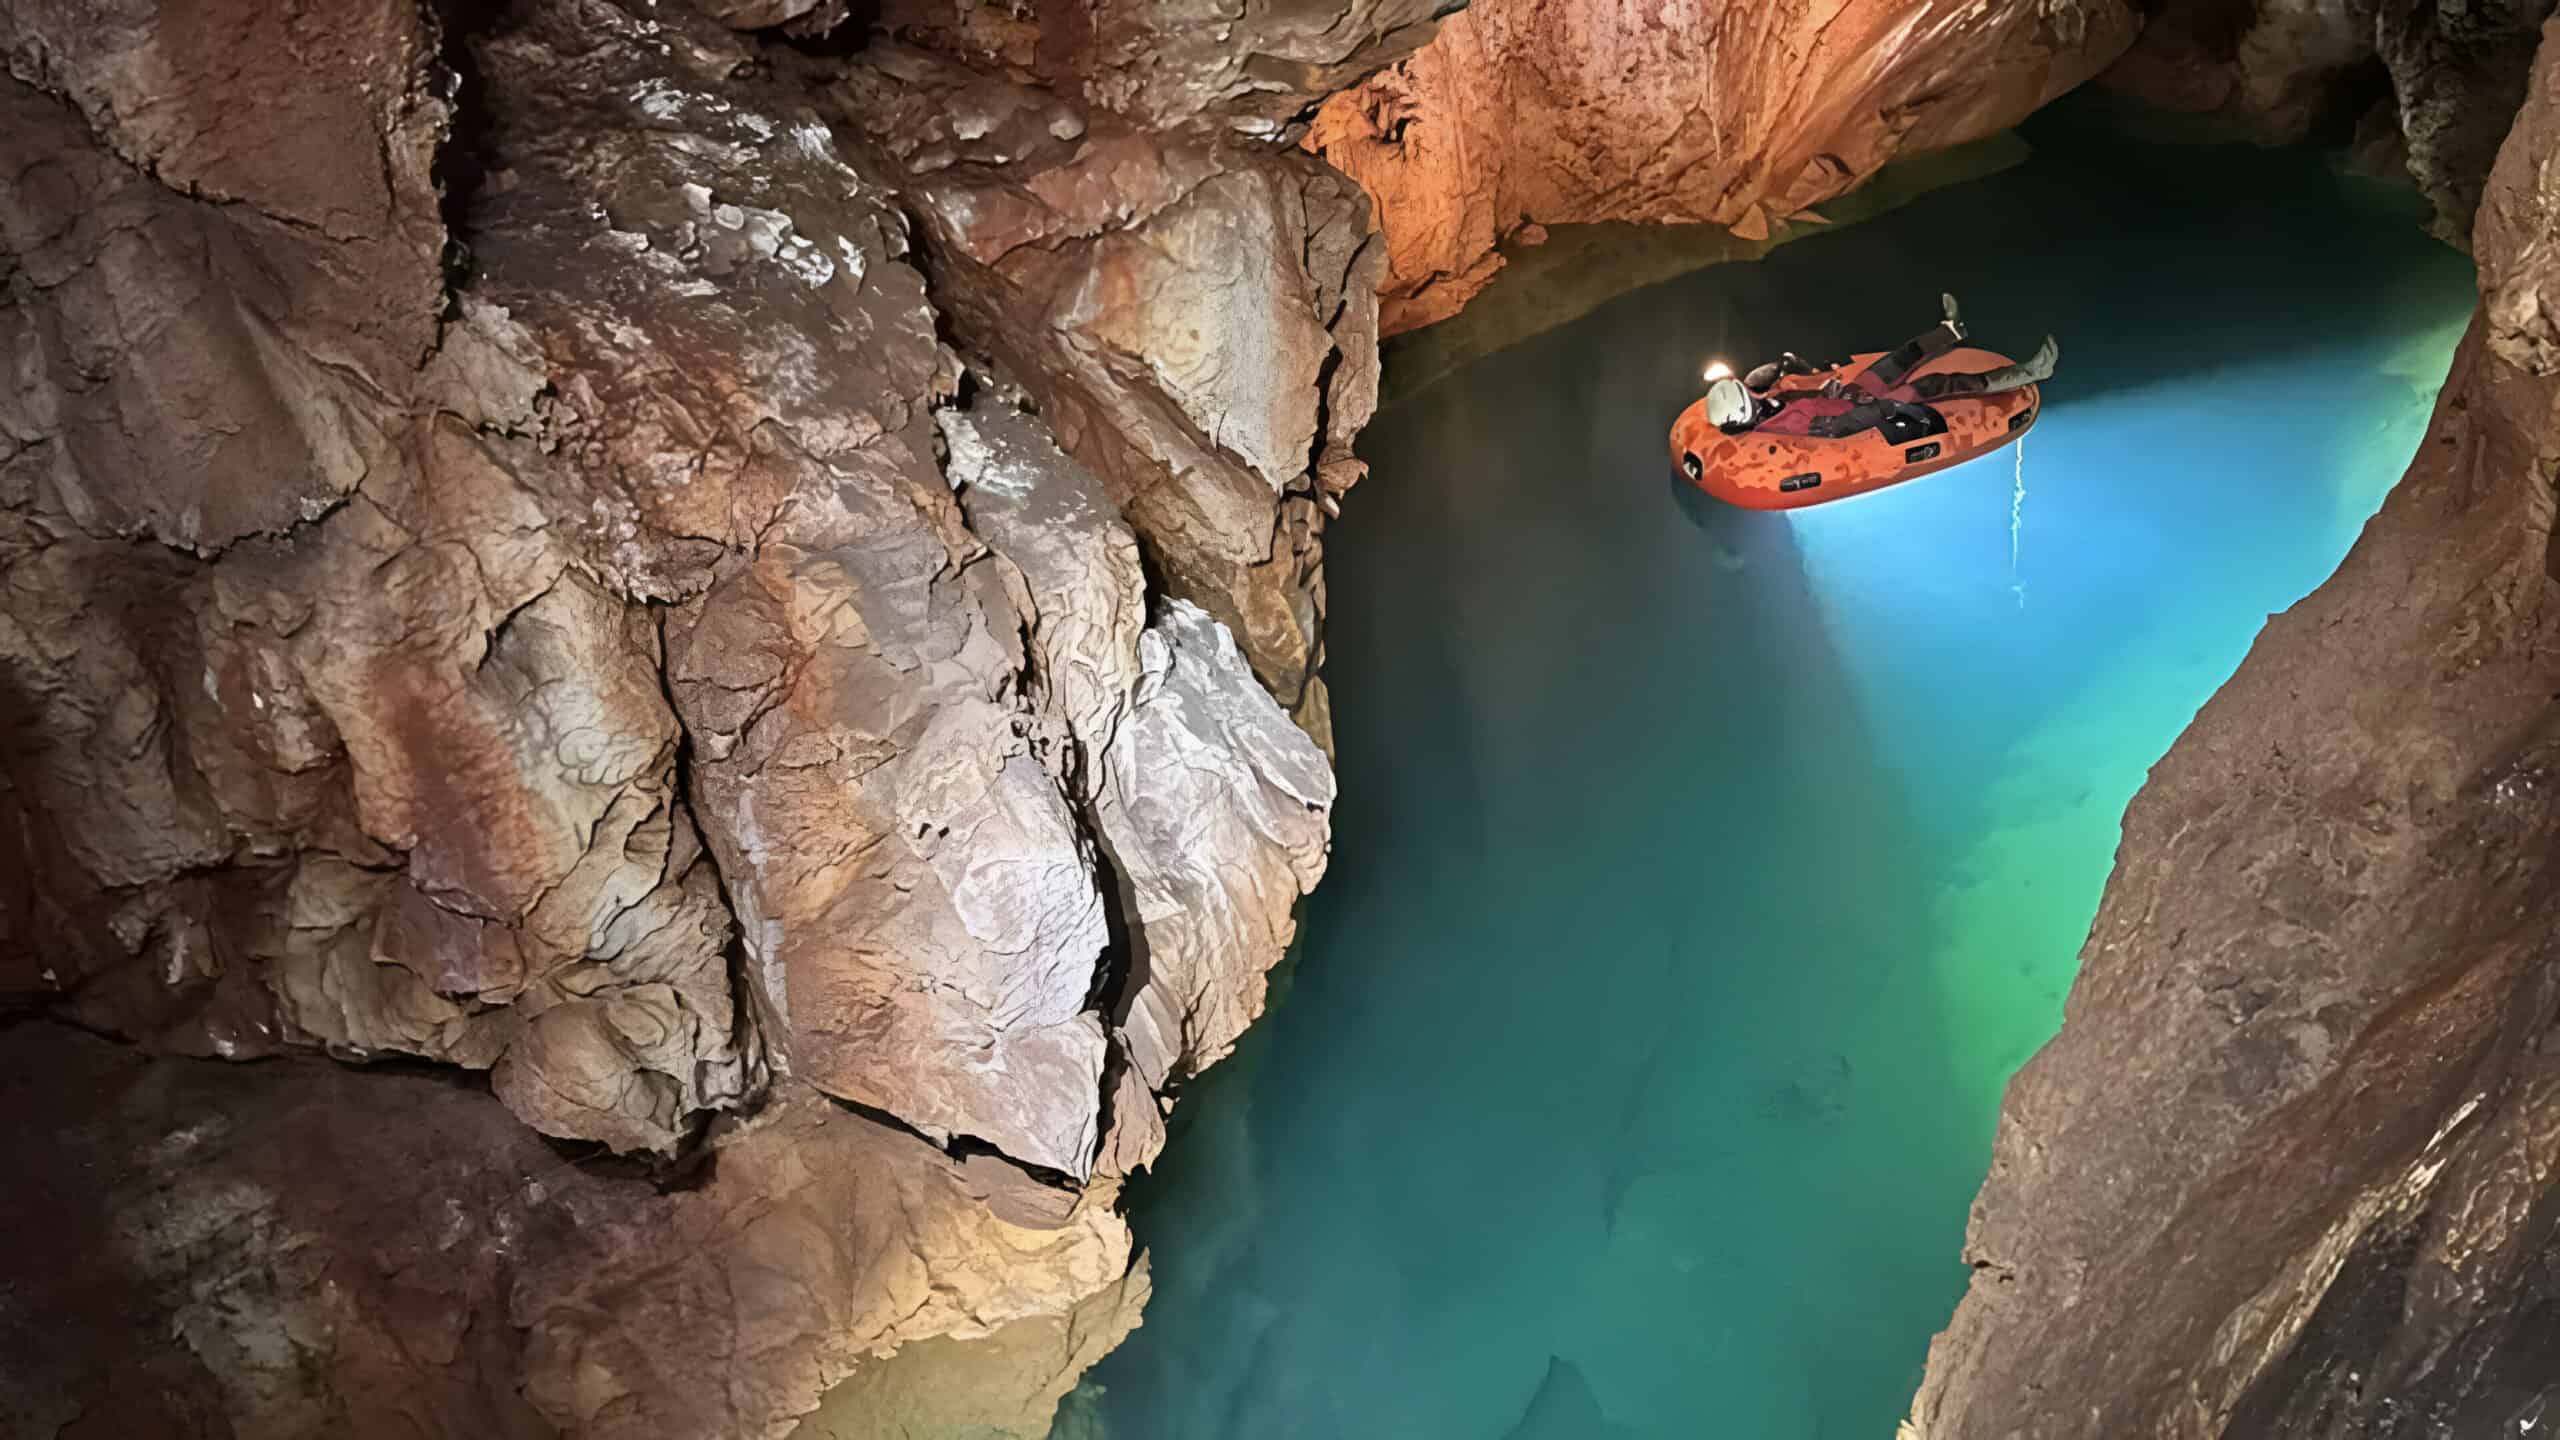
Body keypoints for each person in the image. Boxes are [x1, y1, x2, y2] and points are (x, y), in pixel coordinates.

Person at [1704, 295, 2057, 439]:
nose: (1751, 389)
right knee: (1936, 384)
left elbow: (1789, 392)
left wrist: (1814, 382)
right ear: (1746, 410)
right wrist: (1885, 407)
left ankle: (1951, 330)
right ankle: (2031, 373)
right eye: (1746, 394)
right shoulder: (1788, 423)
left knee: (1899, 357)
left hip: (1849, 394)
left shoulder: (1767, 404)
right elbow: (1842, 426)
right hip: (1864, 405)